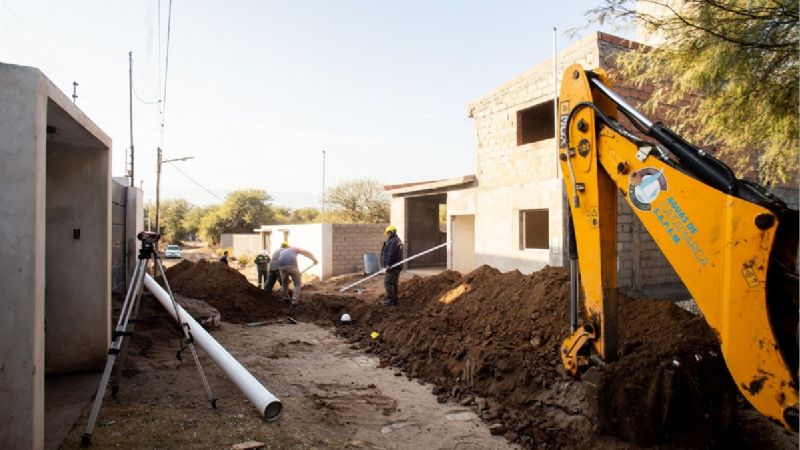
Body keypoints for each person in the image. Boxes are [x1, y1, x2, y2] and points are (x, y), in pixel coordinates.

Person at [380, 225, 404, 307]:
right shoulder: (398, 240)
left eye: (388, 233)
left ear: (391, 232)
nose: (387, 235)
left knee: (388, 283)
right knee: (394, 283)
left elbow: (391, 254)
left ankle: (392, 301)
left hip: (393, 267)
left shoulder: (393, 241)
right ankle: (394, 300)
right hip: (397, 266)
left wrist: (388, 265)